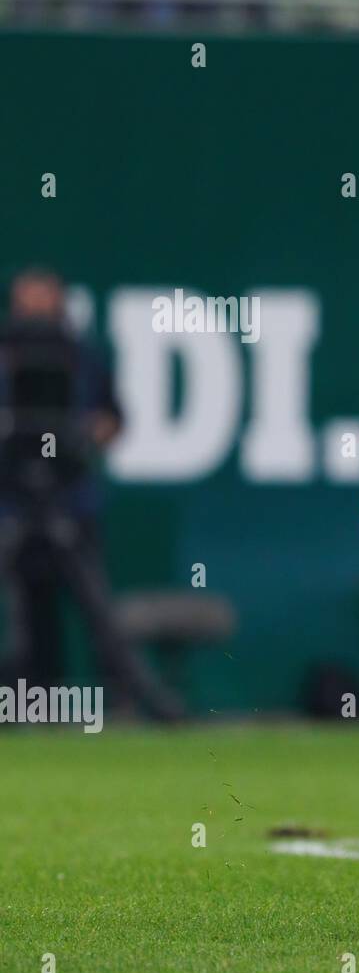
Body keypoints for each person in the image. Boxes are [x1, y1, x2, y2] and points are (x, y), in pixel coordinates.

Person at [0, 268, 181, 719]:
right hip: (10, 500)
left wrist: (82, 436)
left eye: (44, 305)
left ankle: (123, 705)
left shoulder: (84, 357)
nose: (35, 318)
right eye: (26, 306)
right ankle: (25, 707)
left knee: (98, 613)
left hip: (71, 504)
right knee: (22, 619)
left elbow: (113, 419)